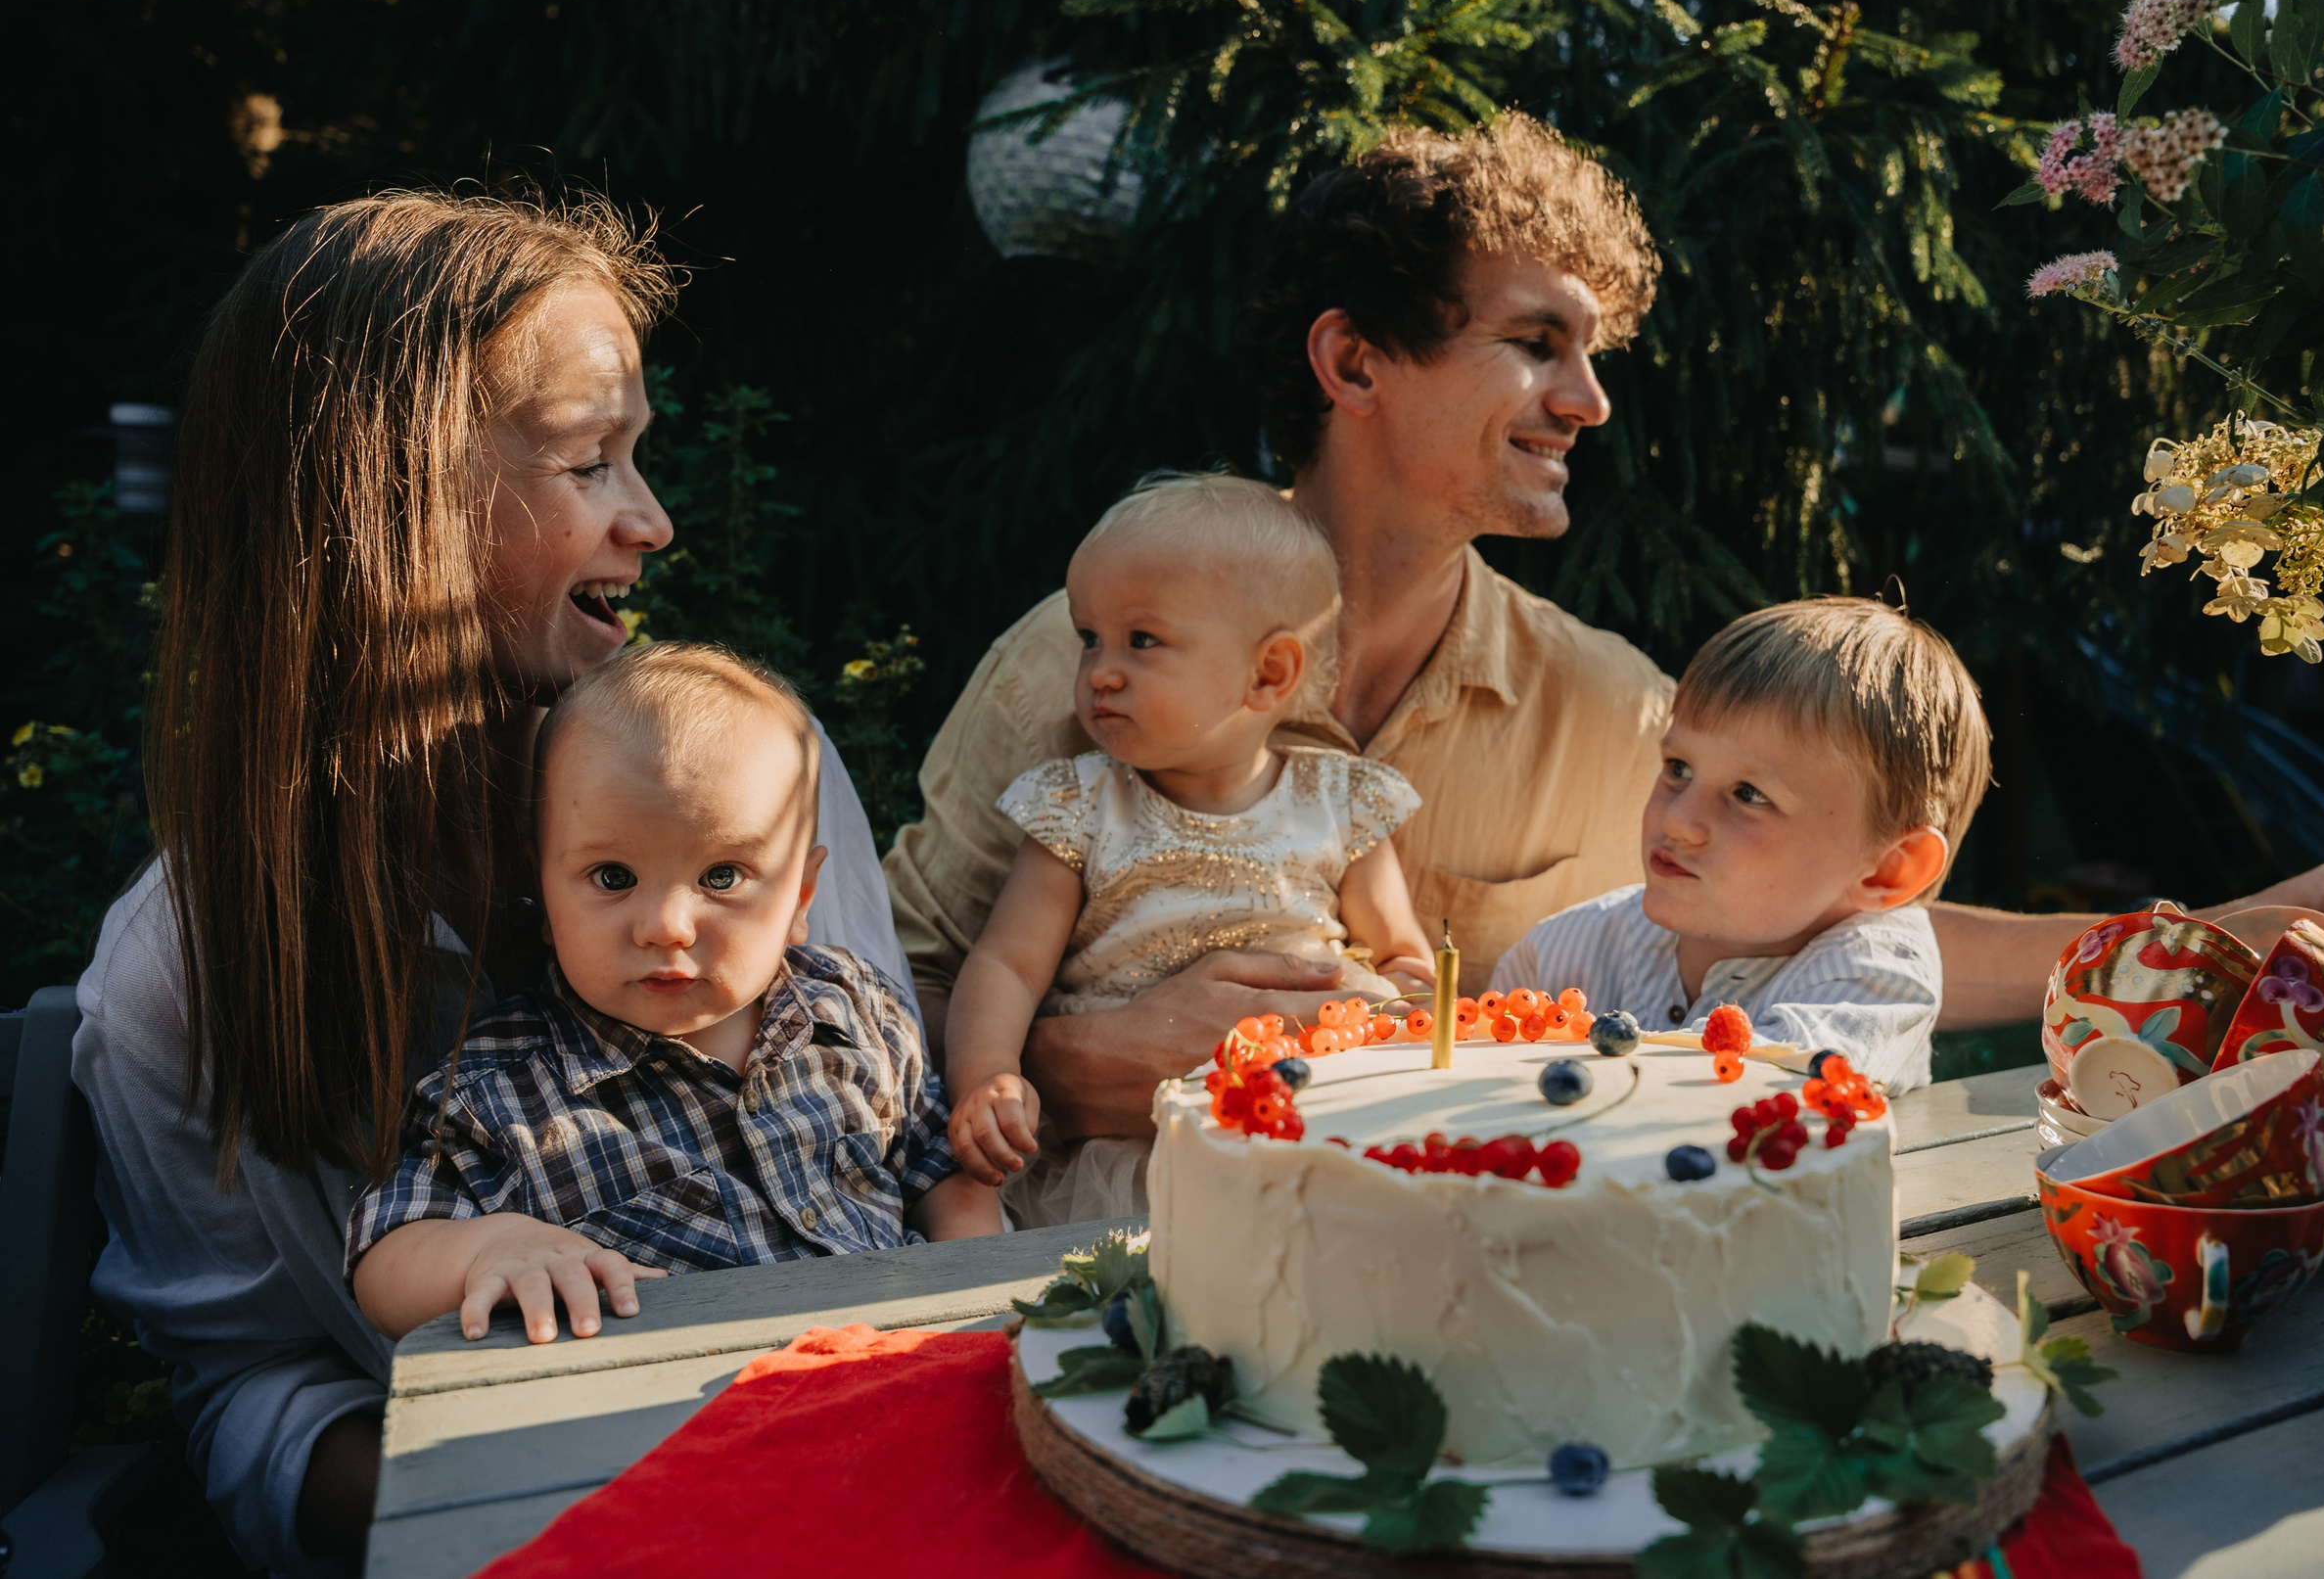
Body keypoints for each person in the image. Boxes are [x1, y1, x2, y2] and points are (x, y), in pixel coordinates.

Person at [882, 114, 2324, 1162]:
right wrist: (1083, 1062)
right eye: (1537, 344)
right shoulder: (1083, 655)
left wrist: (2237, 924)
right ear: (1353, 361)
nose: (1591, 400)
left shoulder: (1611, 713)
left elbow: (1848, 920)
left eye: (1594, 351)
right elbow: (866, 1007)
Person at [71, 193, 911, 1577]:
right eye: (592, 460)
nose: (655, 518)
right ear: (387, 497)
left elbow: (885, 1152)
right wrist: (586, 1517)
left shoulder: (749, 780)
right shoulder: (182, 973)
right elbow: (254, 1392)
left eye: (635, 456)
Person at [349, 644, 999, 1345]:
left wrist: (971, 1283)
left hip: (897, 1368)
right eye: (612, 876)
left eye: (722, 876)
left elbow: (942, 1166)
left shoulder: (854, 1012)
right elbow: (382, 1250)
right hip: (673, 1417)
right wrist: (484, 1250)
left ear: (801, 896)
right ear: (540, 893)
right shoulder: (498, 1089)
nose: (666, 925)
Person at [945, 476, 1433, 1225]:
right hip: (1127, 1157)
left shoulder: (1341, 802)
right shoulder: (1080, 806)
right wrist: (989, 1075)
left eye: (1142, 640)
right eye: (1089, 638)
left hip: (1302, 1131)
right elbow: (1007, 962)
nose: (1101, 671)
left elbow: (1403, 961)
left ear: (1269, 671)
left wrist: (1389, 1017)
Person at [1493, 598, 1992, 1094]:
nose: (1676, 818)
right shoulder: (1560, 953)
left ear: (1888, 870)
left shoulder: (1877, 981)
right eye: (1678, 768)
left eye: (1749, 795)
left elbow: (1748, 1099)